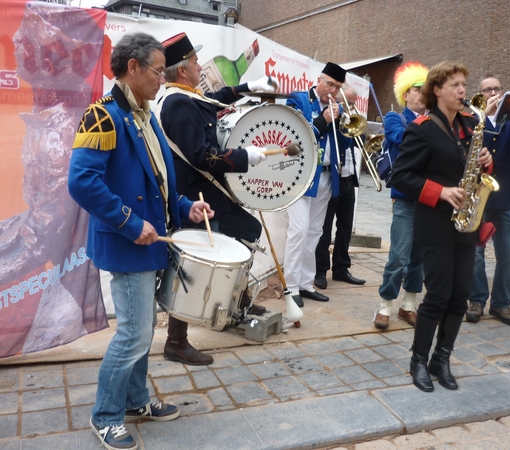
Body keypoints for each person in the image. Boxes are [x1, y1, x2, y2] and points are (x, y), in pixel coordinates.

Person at [68, 33, 215, 450]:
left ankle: (135, 400)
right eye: (157, 71)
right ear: (132, 68)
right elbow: (82, 182)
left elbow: (157, 184)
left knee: (143, 329)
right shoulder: (102, 115)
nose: (162, 78)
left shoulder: (145, 115)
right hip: (127, 242)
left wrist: (186, 206)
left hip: (149, 242)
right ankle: (105, 415)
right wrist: (131, 224)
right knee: (134, 333)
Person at [155, 32, 277, 365]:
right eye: (196, 62)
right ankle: (176, 342)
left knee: (246, 232)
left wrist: (247, 87)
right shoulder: (178, 103)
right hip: (196, 197)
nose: (201, 66)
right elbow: (201, 155)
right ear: (182, 70)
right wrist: (244, 157)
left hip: (207, 193)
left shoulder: (185, 96)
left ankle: (236, 304)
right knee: (192, 266)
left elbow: (214, 99)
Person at [390, 61, 493, 392]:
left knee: (460, 296)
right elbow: (400, 176)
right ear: (436, 90)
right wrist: (441, 191)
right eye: (455, 85)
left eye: (464, 84)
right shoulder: (421, 128)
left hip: (466, 222)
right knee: (437, 295)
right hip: (435, 223)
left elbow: (473, 167)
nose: (463, 90)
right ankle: (418, 360)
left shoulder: (469, 124)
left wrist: (486, 161)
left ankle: (442, 359)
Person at [465, 75, 510, 326]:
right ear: (480, 94)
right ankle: (476, 300)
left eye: (497, 88)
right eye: (487, 89)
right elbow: (466, 145)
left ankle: (501, 304)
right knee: (476, 253)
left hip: (506, 195)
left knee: (508, 255)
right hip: (479, 195)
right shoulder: (473, 118)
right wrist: (483, 116)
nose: (493, 93)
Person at [284, 62, 347, 307]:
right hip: (301, 177)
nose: (333, 91)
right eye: (330, 84)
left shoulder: (338, 108)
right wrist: (323, 120)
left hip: (326, 177)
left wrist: (341, 123)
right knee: (299, 231)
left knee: (315, 232)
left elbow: (345, 143)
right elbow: (292, 140)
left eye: (338, 87)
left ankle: (306, 283)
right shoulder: (298, 100)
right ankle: (291, 287)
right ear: (319, 79)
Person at [373, 62, 428, 330]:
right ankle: (384, 305)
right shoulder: (395, 118)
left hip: (428, 198)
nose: (422, 93)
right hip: (405, 197)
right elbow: (400, 137)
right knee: (398, 256)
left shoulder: (434, 120)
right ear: (406, 94)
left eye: (426, 89)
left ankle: (409, 305)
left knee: (418, 258)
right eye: (418, 89)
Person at [314, 84, 365, 290]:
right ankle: (320, 270)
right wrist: (338, 118)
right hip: (333, 177)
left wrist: (354, 122)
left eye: (353, 103)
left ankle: (341, 268)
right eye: (347, 103)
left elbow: (359, 142)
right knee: (324, 229)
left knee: (345, 228)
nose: (350, 107)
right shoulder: (330, 117)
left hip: (349, 178)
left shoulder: (349, 117)